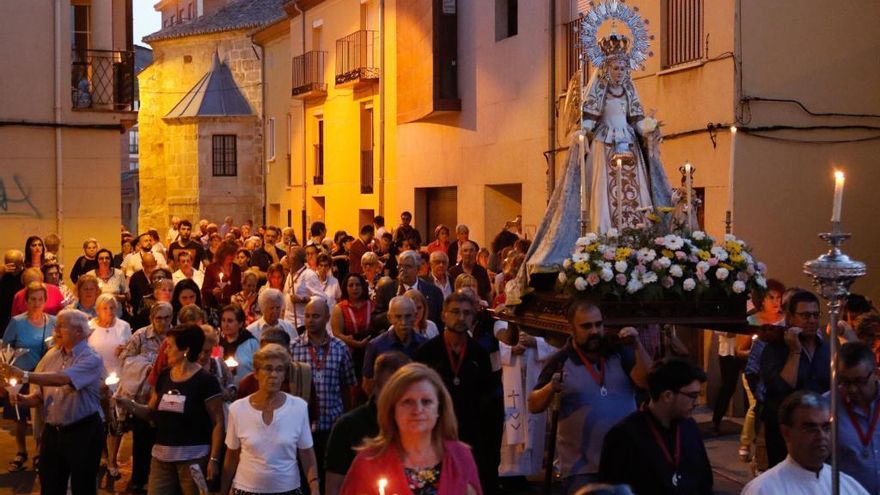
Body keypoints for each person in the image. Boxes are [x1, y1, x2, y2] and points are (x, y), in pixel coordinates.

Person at [528, 299, 652, 493]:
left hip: (627, 461)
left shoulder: (618, 353)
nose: (594, 331)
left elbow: (646, 381)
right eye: (586, 326)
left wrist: (637, 345)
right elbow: (533, 404)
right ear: (572, 329)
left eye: (598, 324)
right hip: (582, 470)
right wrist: (551, 387)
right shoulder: (560, 361)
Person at [0, 309, 104, 494]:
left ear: (79, 331)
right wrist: (23, 399)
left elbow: (62, 378)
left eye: (61, 326)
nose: (55, 329)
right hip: (53, 433)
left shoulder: (91, 358)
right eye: (56, 325)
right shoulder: (51, 356)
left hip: (82, 431)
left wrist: (24, 375)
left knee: (83, 486)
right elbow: (40, 396)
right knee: (50, 486)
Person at [339, 362, 482, 495]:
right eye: (407, 402)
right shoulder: (369, 461)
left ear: (439, 409)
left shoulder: (460, 456)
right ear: (392, 409)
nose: (418, 410)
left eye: (426, 402)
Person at [115, 324, 225, 495]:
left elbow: (218, 422)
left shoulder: (206, 381)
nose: (165, 351)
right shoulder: (165, 376)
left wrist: (214, 459)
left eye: (170, 346)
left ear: (185, 350)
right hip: (162, 458)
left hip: (193, 460)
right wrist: (129, 404)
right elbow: (151, 412)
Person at [580, 33, 671, 232]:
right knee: (604, 189)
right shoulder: (599, 91)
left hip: (629, 142)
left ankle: (639, 228)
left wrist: (649, 131)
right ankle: (604, 230)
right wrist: (582, 134)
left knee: (636, 187)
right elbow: (590, 118)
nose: (619, 72)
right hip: (604, 143)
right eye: (615, 68)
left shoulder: (629, 90)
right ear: (606, 69)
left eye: (623, 68)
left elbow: (636, 118)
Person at [415, 292, 500, 494]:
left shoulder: (479, 354)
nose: (461, 318)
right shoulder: (427, 352)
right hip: (434, 434)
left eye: (467, 313)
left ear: (473, 318)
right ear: (443, 315)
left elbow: (488, 399)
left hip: (471, 435)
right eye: (455, 312)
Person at [598, 358, 713, 494]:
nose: (697, 403)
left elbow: (705, 482)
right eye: (692, 395)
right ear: (667, 396)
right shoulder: (623, 436)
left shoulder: (689, 427)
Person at [221, 343, 320, 495]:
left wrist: (315, 488)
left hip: (288, 490)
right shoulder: (237, 409)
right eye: (268, 368)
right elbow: (232, 455)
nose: (273, 374)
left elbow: (306, 452)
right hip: (245, 489)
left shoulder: (299, 408)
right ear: (256, 373)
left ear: (284, 375)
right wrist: (223, 490)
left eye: (279, 369)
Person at [742, 391, 868, 495]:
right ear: (787, 433)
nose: (821, 436)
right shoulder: (763, 489)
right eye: (810, 428)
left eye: (826, 428)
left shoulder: (846, 485)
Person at [760, 289, 830, 467]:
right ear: (790, 318)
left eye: (816, 315)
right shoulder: (774, 349)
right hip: (786, 434)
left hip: (819, 430)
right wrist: (795, 351)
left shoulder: (826, 349)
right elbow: (781, 386)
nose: (812, 321)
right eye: (805, 316)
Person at [325, 351, 411, 495]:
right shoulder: (348, 426)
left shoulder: (417, 424)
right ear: (375, 387)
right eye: (391, 391)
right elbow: (334, 485)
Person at [291, 298, 357, 479]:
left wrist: (346, 419)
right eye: (307, 316)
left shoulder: (340, 347)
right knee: (306, 477)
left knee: (330, 475)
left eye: (316, 316)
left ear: (327, 318)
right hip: (302, 426)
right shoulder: (293, 347)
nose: (310, 320)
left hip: (332, 425)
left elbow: (347, 386)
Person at [118, 302, 173, 493]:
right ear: (152, 318)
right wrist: (147, 367)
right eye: (159, 318)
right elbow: (125, 358)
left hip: (167, 396)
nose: (163, 322)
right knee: (142, 440)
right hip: (143, 396)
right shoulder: (141, 335)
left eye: (167, 318)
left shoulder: (175, 336)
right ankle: (139, 479)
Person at [2, 281, 56, 471]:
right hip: (21, 374)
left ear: (45, 300)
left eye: (40, 299)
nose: (36, 303)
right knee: (20, 416)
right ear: (26, 301)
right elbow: (4, 347)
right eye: (32, 299)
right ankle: (21, 451)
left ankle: (39, 453)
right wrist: (12, 358)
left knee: (43, 415)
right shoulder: (17, 322)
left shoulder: (53, 322)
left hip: (44, 376)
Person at [493, 320, 556, 482]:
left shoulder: (540, 321)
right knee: (510, 426)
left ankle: (526, 472)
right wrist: (510, 349)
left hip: (533, 381)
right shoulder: (501, 321)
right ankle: (509, 473)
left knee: (531, 425)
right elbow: (493, 347)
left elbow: (556, 347)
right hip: (511, 384)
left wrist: (536, 342)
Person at [740, 278, 786, 465]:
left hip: (776, 372)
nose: (776, 302)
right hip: (755, 372)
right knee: (755, 408)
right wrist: (758, 351)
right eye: (771, 297)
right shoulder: (751, 320)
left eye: (779, 297)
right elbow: (739, 350)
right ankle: (746, 444)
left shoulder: (784, 320)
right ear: (761, 300)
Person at [87, 293, 132, 479]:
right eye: (105, 308)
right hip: (95, 379)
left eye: (112, 308)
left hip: (118, 377)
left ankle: (113, 459)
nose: (110, 312)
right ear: (97, 310)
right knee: (99, 420)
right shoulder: (89, 327)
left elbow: (131, 348)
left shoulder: (124, 326)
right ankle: (103, 455)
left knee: (116, 421)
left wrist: (125, 350)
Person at [830, 342, 880, 493]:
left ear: (876, 373)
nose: (852, 388)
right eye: (845, 382)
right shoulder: (828, 406)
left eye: (860, 381)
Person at [363, 297, 427, 393]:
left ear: (415, 316)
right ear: (389, 318)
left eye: (408, 316)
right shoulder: (375, 346)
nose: (403, 322)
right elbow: (368, 385)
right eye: (398, 317)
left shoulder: (426, 345)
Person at [374, 250, 444, 331]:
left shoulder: (433, 292)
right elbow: (375, 320)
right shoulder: (386, 290)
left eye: (407, 266)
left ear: (418, 269)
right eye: (400, 266)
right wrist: (394, 312)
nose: (402, 270)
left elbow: (440, 323)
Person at [330, 273, 375, 381]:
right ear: (345, 288)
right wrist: (356, 344)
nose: (355, 288)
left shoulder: (372, 305)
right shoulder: (339, 308)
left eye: (358, 285)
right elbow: (337, 334)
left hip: (371, 352)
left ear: (363, 287)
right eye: (351, 285)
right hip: (350, 355)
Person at [284, 246, 326, 332]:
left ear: (297, 260)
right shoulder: (290, 274)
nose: (286, 260)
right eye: (286, 257)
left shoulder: (309, 275)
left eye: (289, 258)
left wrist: (302, 299)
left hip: (301, 324)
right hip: (287, 322)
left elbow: (321, 298)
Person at [218, 305, 259, 387]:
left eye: (230, 321)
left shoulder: (251, 343)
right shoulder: (218, 343)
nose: (226, 325)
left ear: (240, 324)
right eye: (223, 320)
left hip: (248, 388)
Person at [86, 248, 129, 316]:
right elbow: (85, 297)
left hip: (116, 315)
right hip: (96, 314)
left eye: (107, 258)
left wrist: (116, 297)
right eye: (101, 258)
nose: (104, 261)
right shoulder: (90, 275)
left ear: (111, 260)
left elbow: (127, 296)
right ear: (97, 260)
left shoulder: (119, 274)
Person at [202, 241, 243, 312]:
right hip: (216, 307)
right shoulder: (211, 268)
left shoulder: (236, 268)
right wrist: (212, 291)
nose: (232, 256)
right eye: (229, 254)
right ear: (222, 254)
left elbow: (239, 288)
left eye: (234, 253)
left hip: (232, 308)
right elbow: (204, 290)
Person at [0, 250, 26, 331]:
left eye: (17, 264)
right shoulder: (2, 274)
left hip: (21, 317)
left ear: (22, 263)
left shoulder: (26, 275)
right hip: (3, 318)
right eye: (10, 264)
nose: (13, 268)